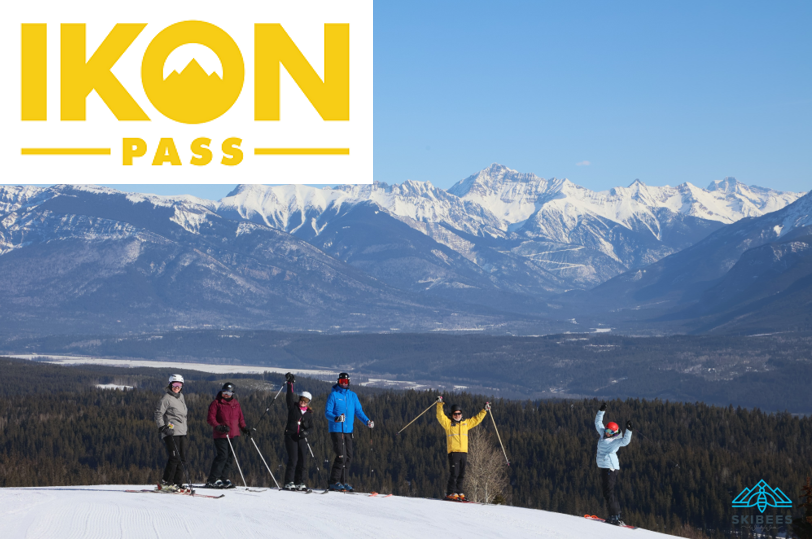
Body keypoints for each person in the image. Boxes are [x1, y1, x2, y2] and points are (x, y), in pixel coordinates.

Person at [324, 372, 374, 491]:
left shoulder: (352, 396)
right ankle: (334, 481)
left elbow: (359, 412)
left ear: (349, 382)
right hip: (337, 429)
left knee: (349, 457)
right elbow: (327, 412)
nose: (344, 384)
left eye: (346, 382)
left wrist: (367, 421)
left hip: (348, 430)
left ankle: (343, 481)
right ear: (338, 382)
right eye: (342, 382)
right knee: (341, 456)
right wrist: (336, 418)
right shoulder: (334, 395)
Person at [435, 397, 489, 501]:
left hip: (464, 452)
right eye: (455, 414)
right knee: (454, 473)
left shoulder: (466, 424)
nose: (457, 416)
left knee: (461, 474)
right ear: (452, 414)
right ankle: (451, 492)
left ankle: (459, 492)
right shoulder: (448, 424)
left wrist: (484, 410)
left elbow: (476, 419)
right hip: (453, 453)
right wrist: (439, 404)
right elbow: (440, 416)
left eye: (459, 414)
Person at [205, 382, 250, 489]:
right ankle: (213, 479)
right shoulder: (216, 403)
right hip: (221, 435)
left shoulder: (236, 403)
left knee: (230, 457)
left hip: (234, 434)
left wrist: (244, 428)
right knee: (222, 456)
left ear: (232, 393)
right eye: (225, 392)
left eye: (229, 393)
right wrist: (218, 426)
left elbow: (240, 419)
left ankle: (223, 478)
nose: (226, 395)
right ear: (221, 391)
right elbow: (210, 418)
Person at [595, 402, 633, 526]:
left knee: (608, 492)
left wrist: (629, 430)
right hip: (604, 467)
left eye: (609, 432)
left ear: (614, 433)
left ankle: (615, 516)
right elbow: (598, 423)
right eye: (606, 430)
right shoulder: (603, 435)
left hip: (610, 468)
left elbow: (625, 441)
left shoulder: (614, 442)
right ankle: (615, 515)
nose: (606, 433)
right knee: (607, 491)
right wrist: (601, 411)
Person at [154, 374, 189, 493]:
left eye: (179, 385)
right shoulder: (166, 398)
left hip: (181, 431)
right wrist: (163, 427)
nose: (176, 387)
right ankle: (166, 482)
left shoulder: (181, 397)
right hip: (170, 432)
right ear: (170, 385)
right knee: (174, 457)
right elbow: (158, 413)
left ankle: (177, 483)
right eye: (174, 385)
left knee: (182, 458)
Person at [282, 372, 314, 491]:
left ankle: (299, 481)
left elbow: (311, 427)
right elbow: (289, 396)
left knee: (303, 460)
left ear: (308, 403)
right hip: (291, 436)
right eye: (301, 400)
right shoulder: (293, 407)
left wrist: (306, 433)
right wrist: (290, 383)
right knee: (293, 459)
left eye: (305, 401)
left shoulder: (309, 414)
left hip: (301, 438)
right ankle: (289, 481)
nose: (302, 402)